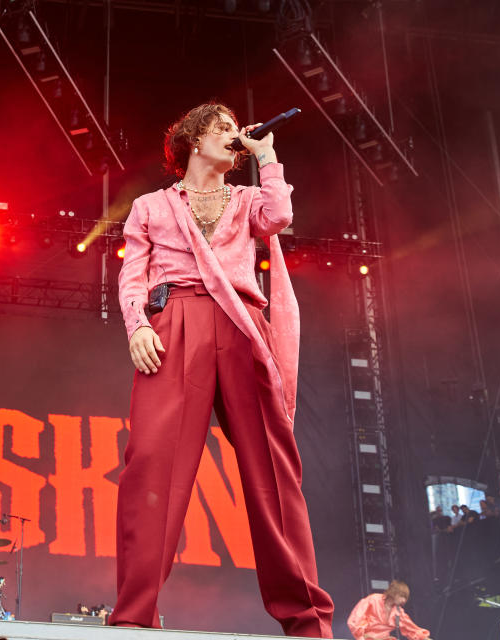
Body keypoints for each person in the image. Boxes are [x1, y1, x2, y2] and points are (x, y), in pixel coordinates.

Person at [111, 102, 333, 638]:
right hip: (175, 323)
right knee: (151, 467)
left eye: (237, 130)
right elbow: (132, 276)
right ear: (193, 139)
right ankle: (135, 615)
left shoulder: (248, 198)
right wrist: (138, 325)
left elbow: (279, 217)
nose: (233, 136)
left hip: (240, 323)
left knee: (274, 471)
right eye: (223, 128)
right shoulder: (150, 206)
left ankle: (307, 620)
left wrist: (269, 157)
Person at [347, 581, 431, 640]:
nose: (404, 600)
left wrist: (424, 638)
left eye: (406, 598)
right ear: (394, 592)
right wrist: (360, 637)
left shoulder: (398, 612)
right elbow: (355, 620)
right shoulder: (373, 599)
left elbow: (411, 629)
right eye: (402, 596)